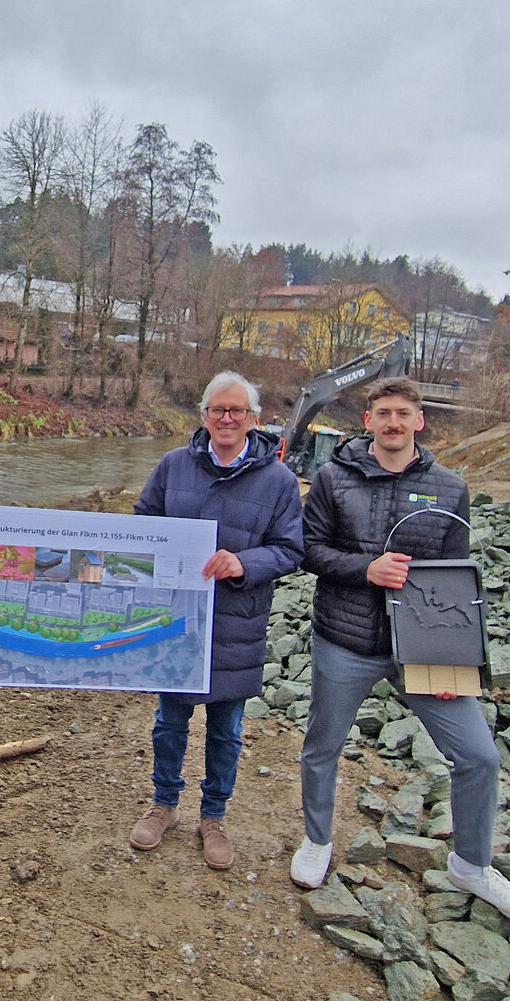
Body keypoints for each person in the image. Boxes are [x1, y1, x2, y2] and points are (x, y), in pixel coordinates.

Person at [291, 378, 510, 925]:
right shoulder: (334, 479)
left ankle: (472, 865)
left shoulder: (451, 488)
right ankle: (316, 840)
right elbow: (307, 550)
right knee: (322, 746)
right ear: (368, 421)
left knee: (479, 756)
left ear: (419, 420)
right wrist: (366, 569)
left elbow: (456, 580)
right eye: (383, 413)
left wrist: (455, 661)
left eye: (403, 414)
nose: (393, 423)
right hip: (346, 640)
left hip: (425, 648)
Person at [129, 372, 304, 869]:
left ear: (253, 419)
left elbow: (292, 549)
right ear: (203, 414)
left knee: (226, 728)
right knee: (169, 723)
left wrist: (245, 563)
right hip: (175, 618)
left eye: (237, 411)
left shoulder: (279, 480)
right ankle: (164, 805)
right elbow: (143, 524)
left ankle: (214, 816)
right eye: (217, 410)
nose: (226, 419)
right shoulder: (173, 466)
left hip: (237, 620)